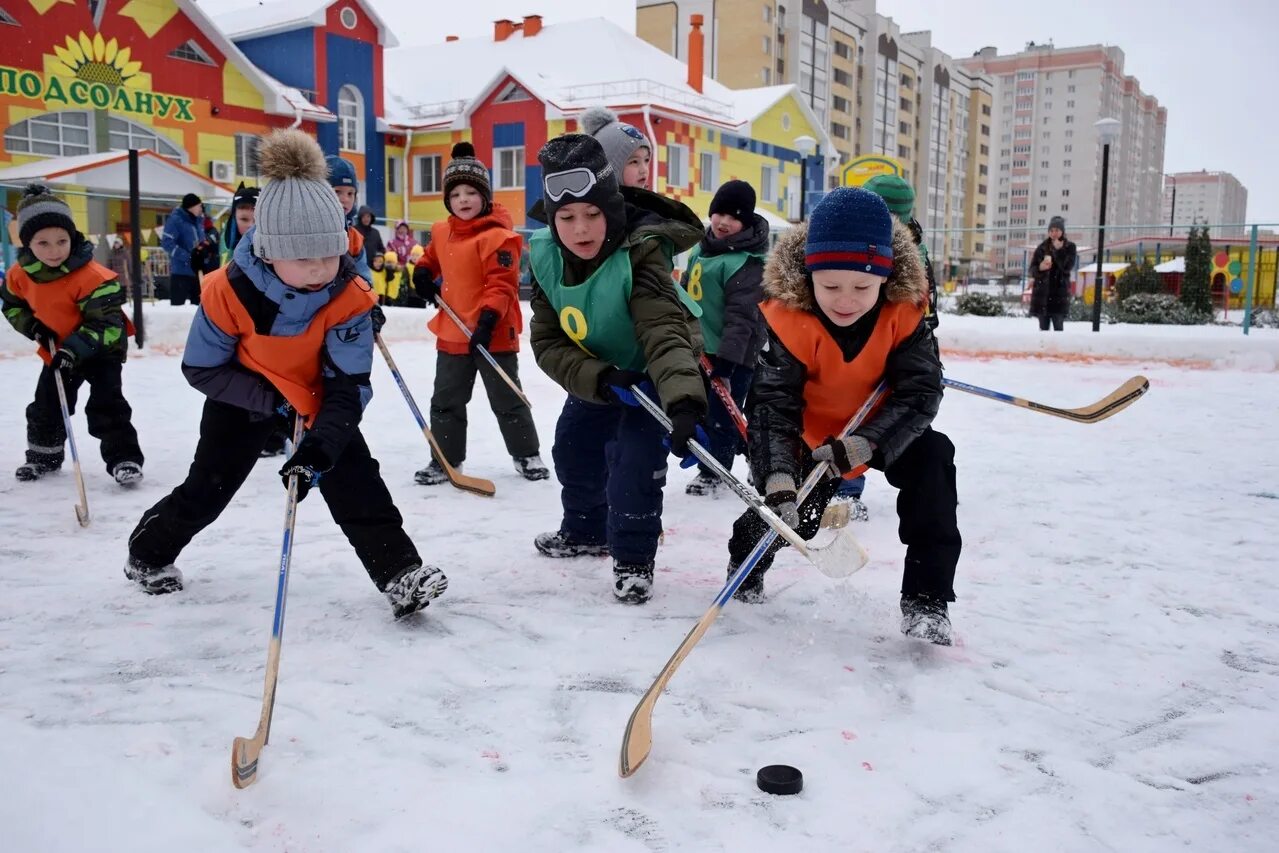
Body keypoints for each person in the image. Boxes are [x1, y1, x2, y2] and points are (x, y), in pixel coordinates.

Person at [123, 129, 445, 620]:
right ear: (269, 251)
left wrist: (317, 450)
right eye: (303, 256)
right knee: (211, 485)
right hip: (242, 393)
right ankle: (148, 552)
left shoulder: (349, 295)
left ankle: (399, 571)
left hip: (315, 394)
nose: (320, 268)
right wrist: (269, 402)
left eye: (329, 253)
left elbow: (349, 385)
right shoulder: (226, 292)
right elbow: (202, 367)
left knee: (354, 476)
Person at [725, 187, 960, 646]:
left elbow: (920, 391)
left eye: (862, 287)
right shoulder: (790, 318)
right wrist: (776, 475)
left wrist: (868, 442)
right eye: (830, 286)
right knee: (794, 513)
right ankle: (746, 561)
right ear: (808, 275)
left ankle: (927, 600)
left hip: (879, 429)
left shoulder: (905, 314)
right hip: (812, 437)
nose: (846, 300)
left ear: (886, 279)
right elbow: (772, 406)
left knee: (934, 459)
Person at [528, 132, 707, 604]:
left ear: (612, 210)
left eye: (593, 214)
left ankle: (633, 560)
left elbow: (664, 332)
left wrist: (684, 403)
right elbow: (546, 341)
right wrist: (601, 379)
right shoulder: (545, 257)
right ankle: (586, 531)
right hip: (604, 374)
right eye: (566, 217)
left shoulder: (641, 254)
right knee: (572, 448)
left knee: (634, 466)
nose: (581, 229)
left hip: (653, 374)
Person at [409, 142, 547, 484]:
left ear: (484, 196)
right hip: (453, 331)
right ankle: (444, 460)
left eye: (471, 192)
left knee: (506, 398)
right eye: (455, 194)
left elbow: (502, 285)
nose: (463, 200)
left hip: (492, 332)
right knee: (446, 399)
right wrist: (423, 273)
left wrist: (487, 320)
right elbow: (431, 257)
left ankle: (527, 454)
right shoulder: (442, 231)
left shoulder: (499, 237)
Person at [1, 184, 144, 485]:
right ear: (28, 243)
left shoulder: (94, 277)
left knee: (107, 404)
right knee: (47, 403)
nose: (54, 251)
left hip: (101, 348)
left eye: (61, 241)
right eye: (43, 243)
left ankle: (124, 459)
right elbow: (13, 306)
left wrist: (73, 351)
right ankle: (43, 457)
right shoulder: (18, 275)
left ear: (73, 237)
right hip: (57, 347)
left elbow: (106, 324)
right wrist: (33, 327)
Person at [681, 179, 768, 497]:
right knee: (704, 412)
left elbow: (742, 319)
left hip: (733, 355)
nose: (723, 222)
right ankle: (724, 461)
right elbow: (687, 294)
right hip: (699, 349)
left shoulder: (745, 264)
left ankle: (715, 472)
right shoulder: (700, 251)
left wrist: (728, 364)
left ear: (745, 222)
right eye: (719, 213)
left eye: (734, 217)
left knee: (724, 417)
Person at [323, 154, 374, 284]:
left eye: (350, 193)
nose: (345, 199)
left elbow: (363, 277)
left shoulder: (354, 238)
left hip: (342, 300)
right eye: (337, 191)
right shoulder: (305, 229)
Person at [580, 106, 652, 190]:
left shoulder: (646, 201)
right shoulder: (598, 202)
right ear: (609, 168)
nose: (644, 170)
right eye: (634, 162)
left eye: (646, 160)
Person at [1030, 216, 1076, 331]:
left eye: (1057, 230)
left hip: (1059, 296)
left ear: (1062, 231)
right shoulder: (1041, 248)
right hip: (1042, 295)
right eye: (1051, 230)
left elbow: (1067, 267)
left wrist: (1059, 251)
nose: (1054, 233)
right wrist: (1040, 268)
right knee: (1043, 331)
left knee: (1058, 330)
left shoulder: (1069, 247)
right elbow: (1032, 269)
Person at [161, 192, 205, 305]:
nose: (201, 208)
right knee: (177, 308)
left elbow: (200, 241)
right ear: (192, 207)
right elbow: (167, 243)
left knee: (199, 309)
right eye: (199, 205)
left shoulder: (198, 221)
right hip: (181, 272)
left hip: (197, 272)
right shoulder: (176, 220)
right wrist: (188, 257)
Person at [221, 183, 259, 261]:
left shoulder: (277, 259)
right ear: (234, 220)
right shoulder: (225, 248)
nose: (251, 225)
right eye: (244, 219)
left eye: (258, 220)